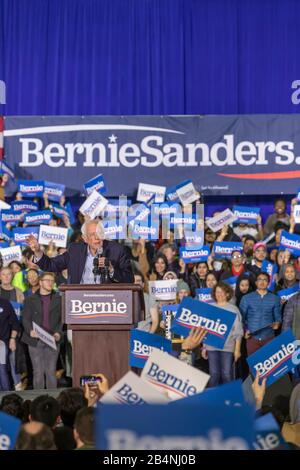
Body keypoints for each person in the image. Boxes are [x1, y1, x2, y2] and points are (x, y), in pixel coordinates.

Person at [27, 219, 134, 284]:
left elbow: (130, 279)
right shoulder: (75, 250)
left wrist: (111, 270)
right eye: (92, 234)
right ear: (85, 238)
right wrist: (37, 251)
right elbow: (50, 265)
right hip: (80, 303)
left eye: (99, 233)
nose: (97, 237)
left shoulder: (117, 250)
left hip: (109, 304)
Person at [21, 272, 63, 389]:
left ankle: (52, 400)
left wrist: (59, 333)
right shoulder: (30, 299)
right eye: (47, 280)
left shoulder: (59, 299)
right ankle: (38, 400)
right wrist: (30, 331)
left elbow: (62, 320)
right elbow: (25, 318)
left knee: (51, 371)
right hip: (35, 339)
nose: (50, 283)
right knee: (38, 372)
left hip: (52, 339)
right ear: (40, 282)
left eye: (52, 281)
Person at [202, 282, 243, 387]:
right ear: (214, 294)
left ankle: (229, 399)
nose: (219, 294)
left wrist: (237, 350)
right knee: (214, 374)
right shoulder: (210, 308)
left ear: (228, 294)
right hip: (212, 347)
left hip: (228, 347)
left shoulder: (233, 309)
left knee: (227, 374)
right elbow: (204, 330)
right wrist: (204, 347)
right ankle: (213, 399)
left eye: (222, 292)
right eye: (217, 292)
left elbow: (238, 332)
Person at [239, 272, 282, 355]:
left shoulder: (275, 299)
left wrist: (277, 323)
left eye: (265, 280)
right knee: (253, 366)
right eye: (260, 279)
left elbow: (278, 318)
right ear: (256, 283)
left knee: (269, 367)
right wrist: (245, 331)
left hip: (269, 338)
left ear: (268, 283)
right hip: (252, 338)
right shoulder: (246, 298)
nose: (262, 282)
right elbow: (241, 319)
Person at [0, 298, 20, 391]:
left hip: (2, 342)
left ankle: (5, 396)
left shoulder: (5, 302)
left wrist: (12, 338)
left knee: (2, 370)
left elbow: (15, 322)